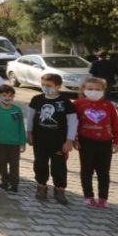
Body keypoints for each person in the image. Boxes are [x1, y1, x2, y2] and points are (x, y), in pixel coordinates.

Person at [27, 73, 77, 204]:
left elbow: (72, 121)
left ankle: (60, 190)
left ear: (58, 86)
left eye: (49, 85)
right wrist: (29, 133)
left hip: (59, 141)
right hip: (40, 139)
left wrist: (69, 140)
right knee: (40, 163)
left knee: (59, 166)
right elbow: (30, 117)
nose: (45, 87)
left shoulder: (65, 101)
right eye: (43, 84)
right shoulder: (36, 99)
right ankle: (41, 187)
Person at [74, 77, 118, 208]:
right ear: (83, 90)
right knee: (86, 170)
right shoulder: (77, 105)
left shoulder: (108, 106)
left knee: (103, 171)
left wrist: (116, 141)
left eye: (97, 89)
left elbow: (116, 124)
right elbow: (73, 124)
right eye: (90, 89)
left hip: (105, 142)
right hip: (86, 142)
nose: (94, 92)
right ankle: (88, 196)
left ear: (103, 91)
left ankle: (103, 198)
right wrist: (74, 139)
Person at [0, 85, 26, 193]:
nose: (7, 98)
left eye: (10, 95)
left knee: (14, 164)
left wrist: (22, 142)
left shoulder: (17, 110)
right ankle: (3, 182)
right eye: (4, 95)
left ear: (13, 96)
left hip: (14, 143)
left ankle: (14, 184)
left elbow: (21, 127)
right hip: (0, 142)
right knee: (1, 163)